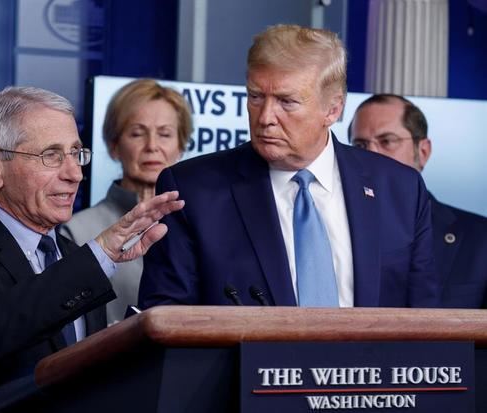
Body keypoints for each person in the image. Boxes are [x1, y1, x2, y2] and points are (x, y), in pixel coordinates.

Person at [0, 86, 184, 411]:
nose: (75, 174)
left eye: (76, 154)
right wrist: (102, 254)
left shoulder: (75, 256)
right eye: (51, 156)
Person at [138, 24, 439, 309]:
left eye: (286, 101)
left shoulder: (399, 189)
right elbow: (165, 319)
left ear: (332, 109)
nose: (265, 116)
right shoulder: (194, 190)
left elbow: (425, 321)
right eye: (255, 97)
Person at [61, 79, 192, 323]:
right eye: (137, 133)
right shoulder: (76, 232)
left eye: (164, 134)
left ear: (181, 146)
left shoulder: (200, 227)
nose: (152, 146)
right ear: (114, 146)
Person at [348, 93, 487, 308]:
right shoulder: (329, 229)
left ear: (423, 152)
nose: (371, 155)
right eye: (360, 146)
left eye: (387, 141)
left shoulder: (480, 240)